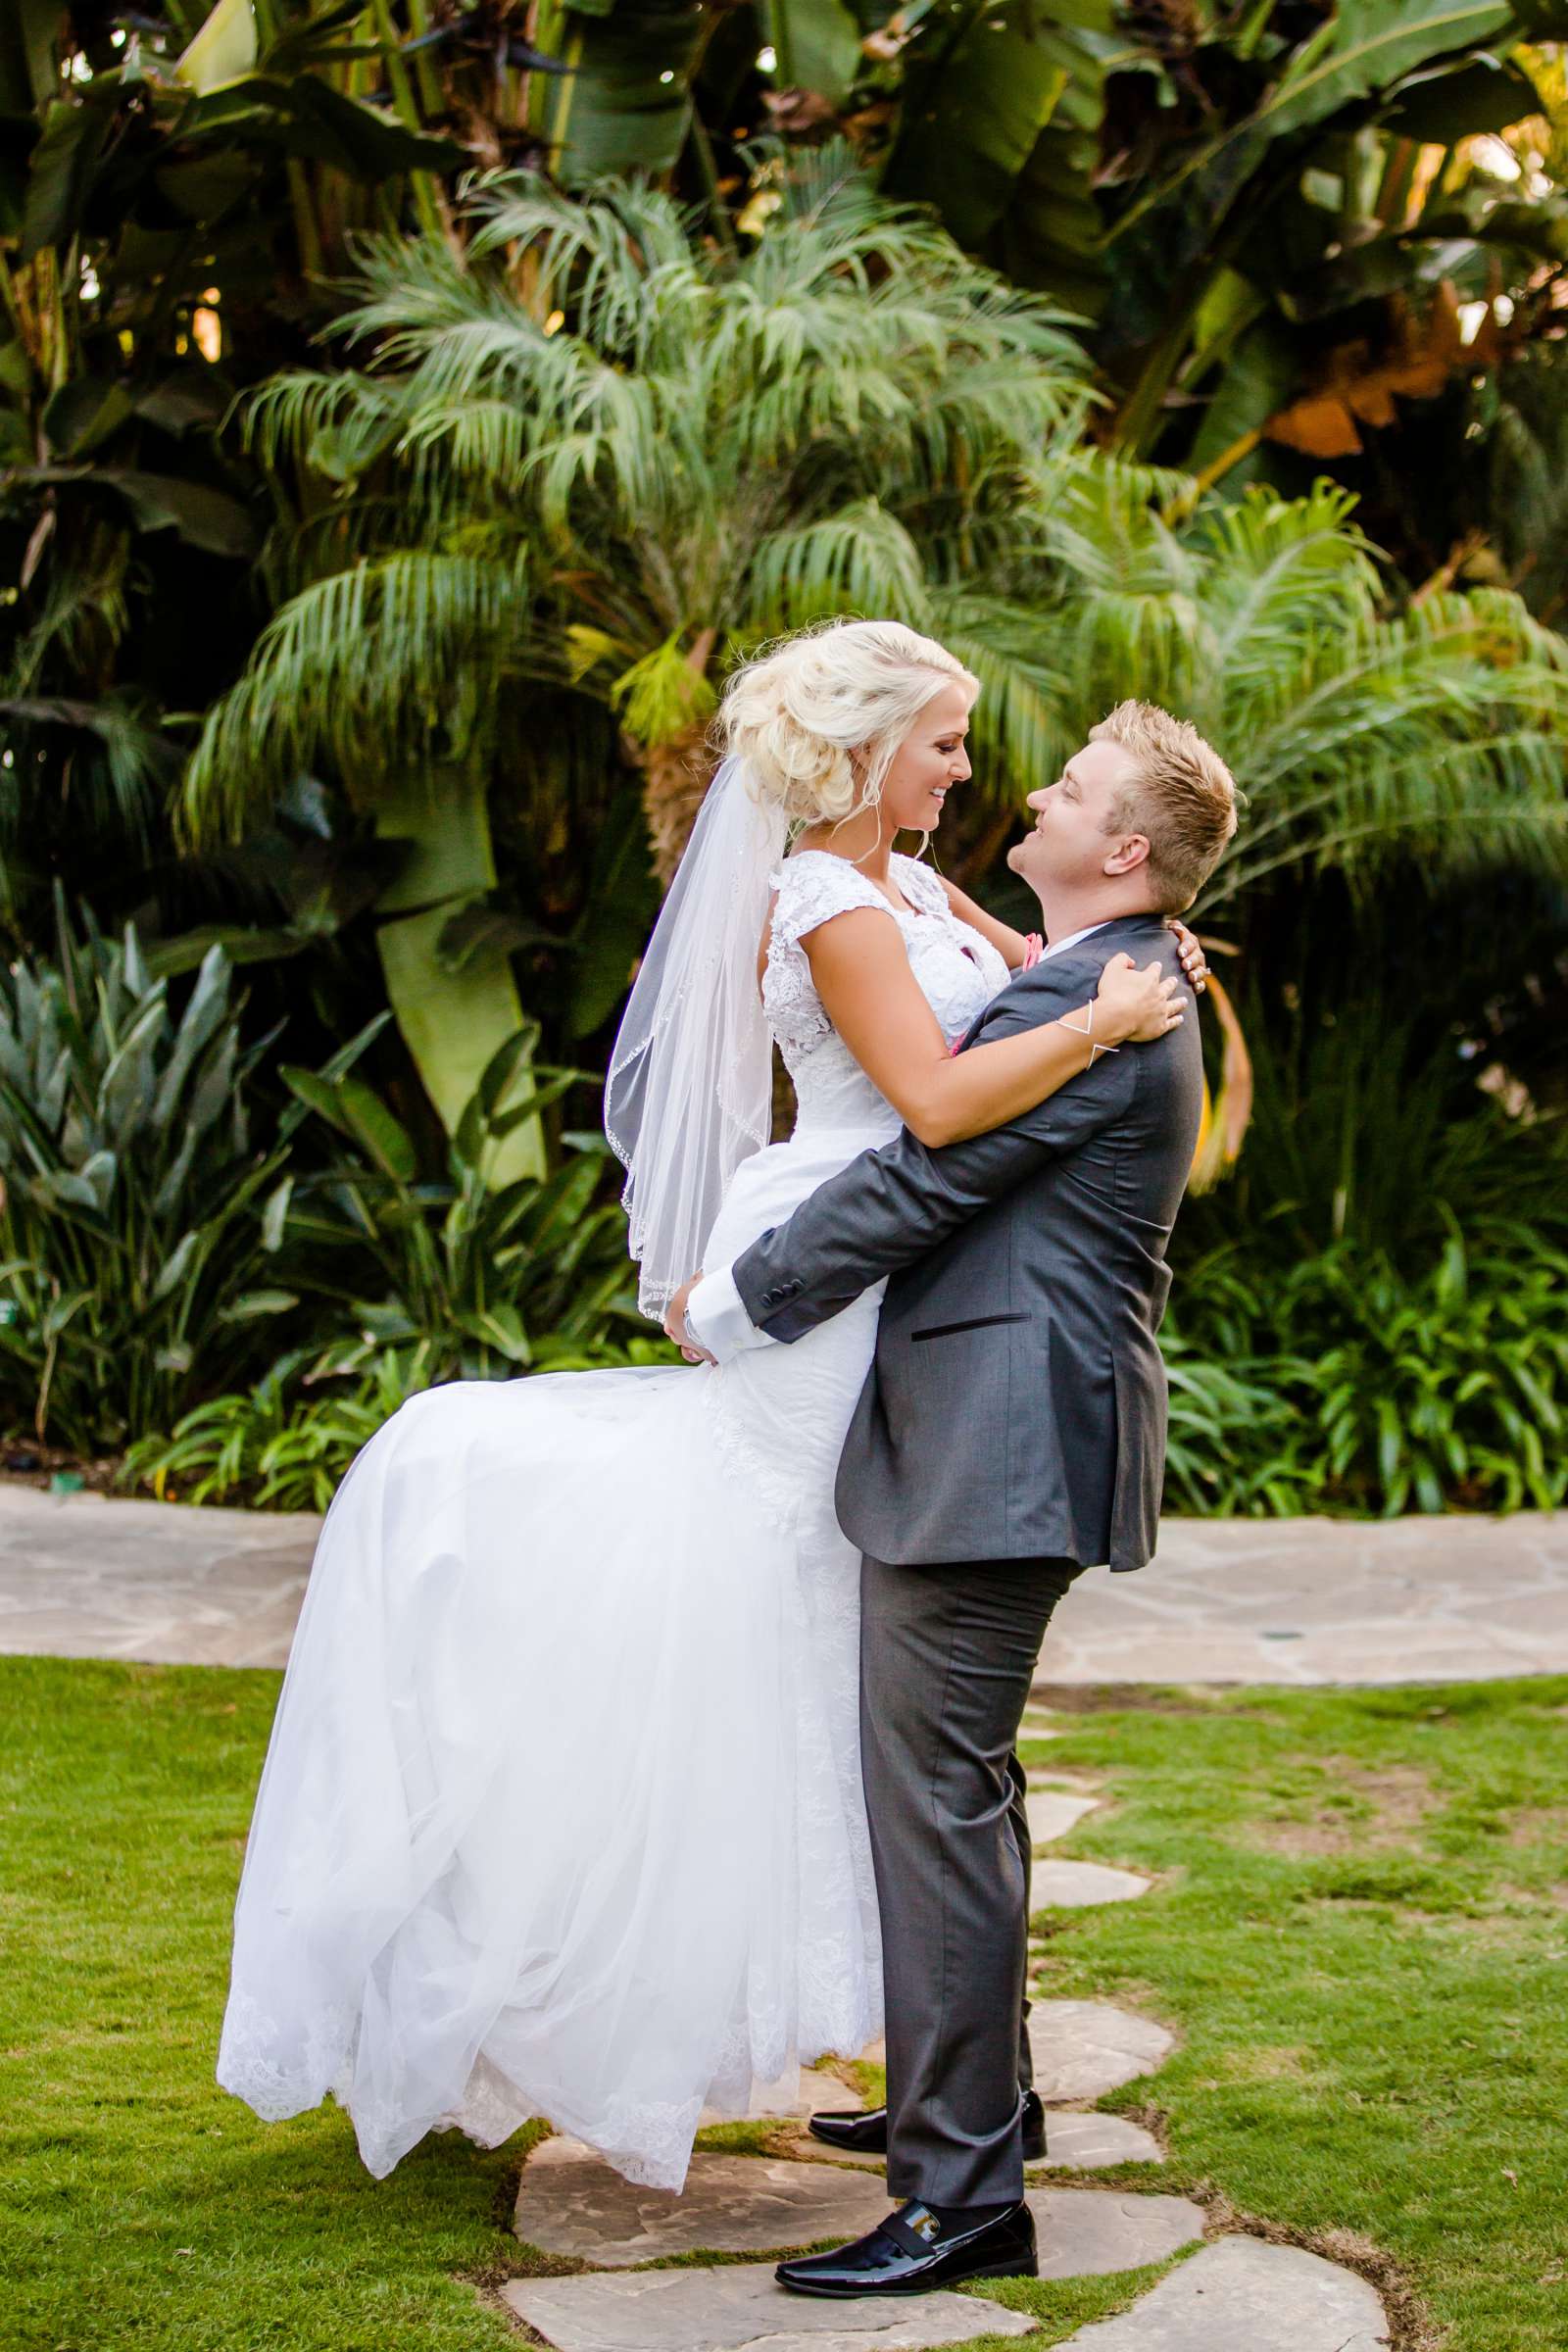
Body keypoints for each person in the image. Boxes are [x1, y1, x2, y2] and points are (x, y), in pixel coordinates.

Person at [216, 618, 1200, 2197]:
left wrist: (1129, 967)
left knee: (854, 1703)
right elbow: (945, 1105)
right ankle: (936, 2096)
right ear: (872, 750)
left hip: (903, 1304)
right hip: (835, 1268)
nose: (975, 765)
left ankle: (954, 2092)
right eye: (946, 739)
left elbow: (1026, 989)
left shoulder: (918, 887)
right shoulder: (823, 893)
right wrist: (1105, 1015)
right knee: (799, 1665)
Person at [666, 696, 1239, 2298]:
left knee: (933, 1799)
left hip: (997, 1445)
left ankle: (966, 2192)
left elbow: (927, 1174)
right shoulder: (1093, 977)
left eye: (1066, 787)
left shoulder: (1099, 995)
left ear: (1120, 851)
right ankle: (984, 2105)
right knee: (955, 1792)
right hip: (1008, 1433)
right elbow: (991, 1007)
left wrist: (733, 1302)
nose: (1029, 792)